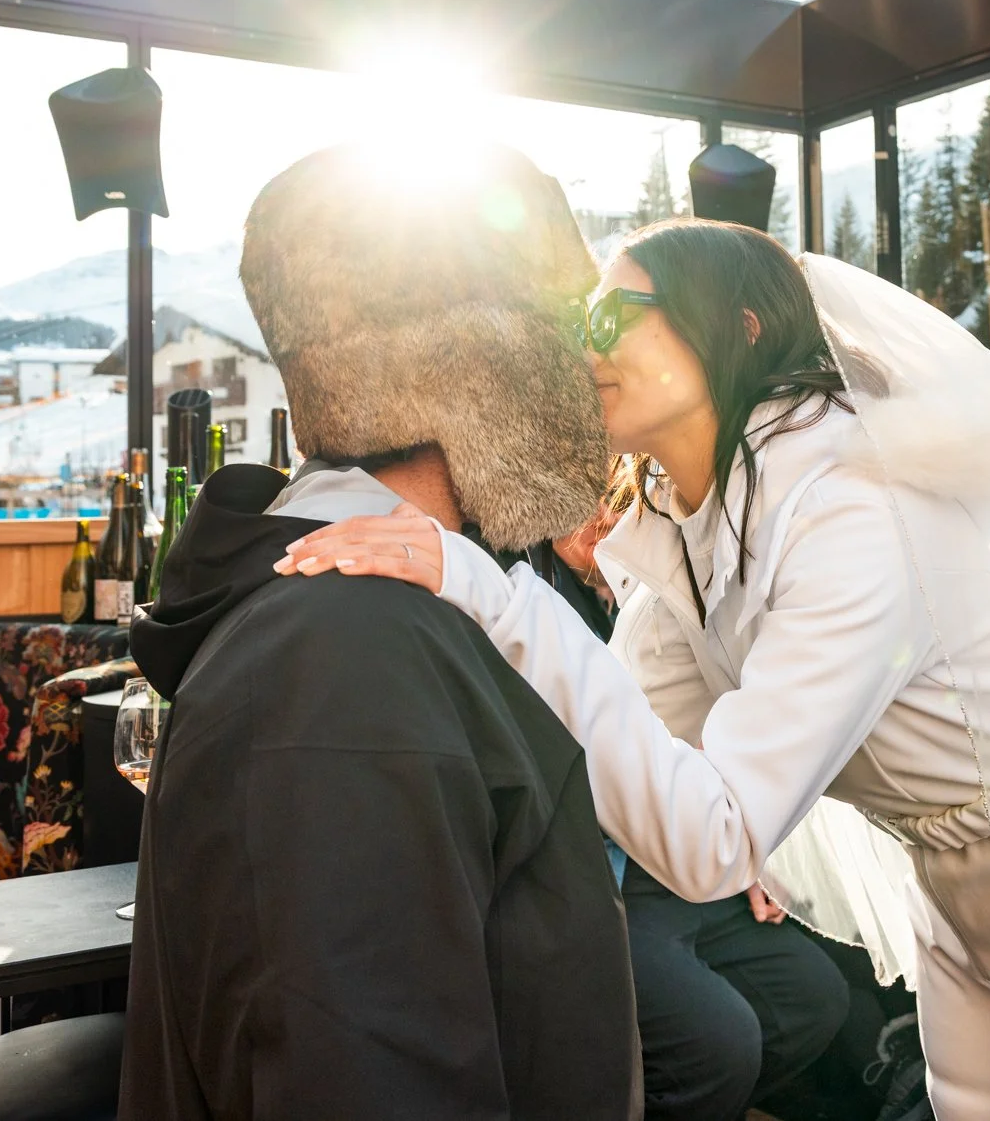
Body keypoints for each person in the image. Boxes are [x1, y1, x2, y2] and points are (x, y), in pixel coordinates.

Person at [282, 220, 990, 1120]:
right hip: (959, 900)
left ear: (737, 327)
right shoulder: (688, 529)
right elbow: (620, 756)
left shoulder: (848, 506)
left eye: (613, 313)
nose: (585, 344)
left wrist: (489, 593)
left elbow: (714, 838)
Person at [117, 145, 640, 1120]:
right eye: (567, 332)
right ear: (483, 368)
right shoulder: (348, 663)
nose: (593, 372)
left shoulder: (397, 607)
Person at [541, 513, 853, 1121]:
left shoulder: (667, 578)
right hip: (598, 869)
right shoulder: (533, 588)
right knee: (718, 1045)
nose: (610, 519)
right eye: (598, 501)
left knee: (815, 999)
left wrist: (758, 851)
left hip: (684, 856)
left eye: (623, 501)